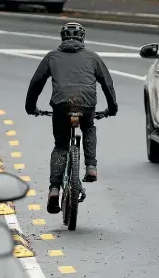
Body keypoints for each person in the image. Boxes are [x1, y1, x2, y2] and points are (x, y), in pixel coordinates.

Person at [25, 22, 118, 214]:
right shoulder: (93, 57)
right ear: (82, 39)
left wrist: (30, 107)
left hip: (61, 106)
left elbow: (36, 83)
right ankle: (91, 166)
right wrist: (112, 108)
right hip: (86, 105)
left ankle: (54, 190)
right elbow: (107, 84)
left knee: (61, 145)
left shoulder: (52, 57)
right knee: (89, 127)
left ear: (62, 38)